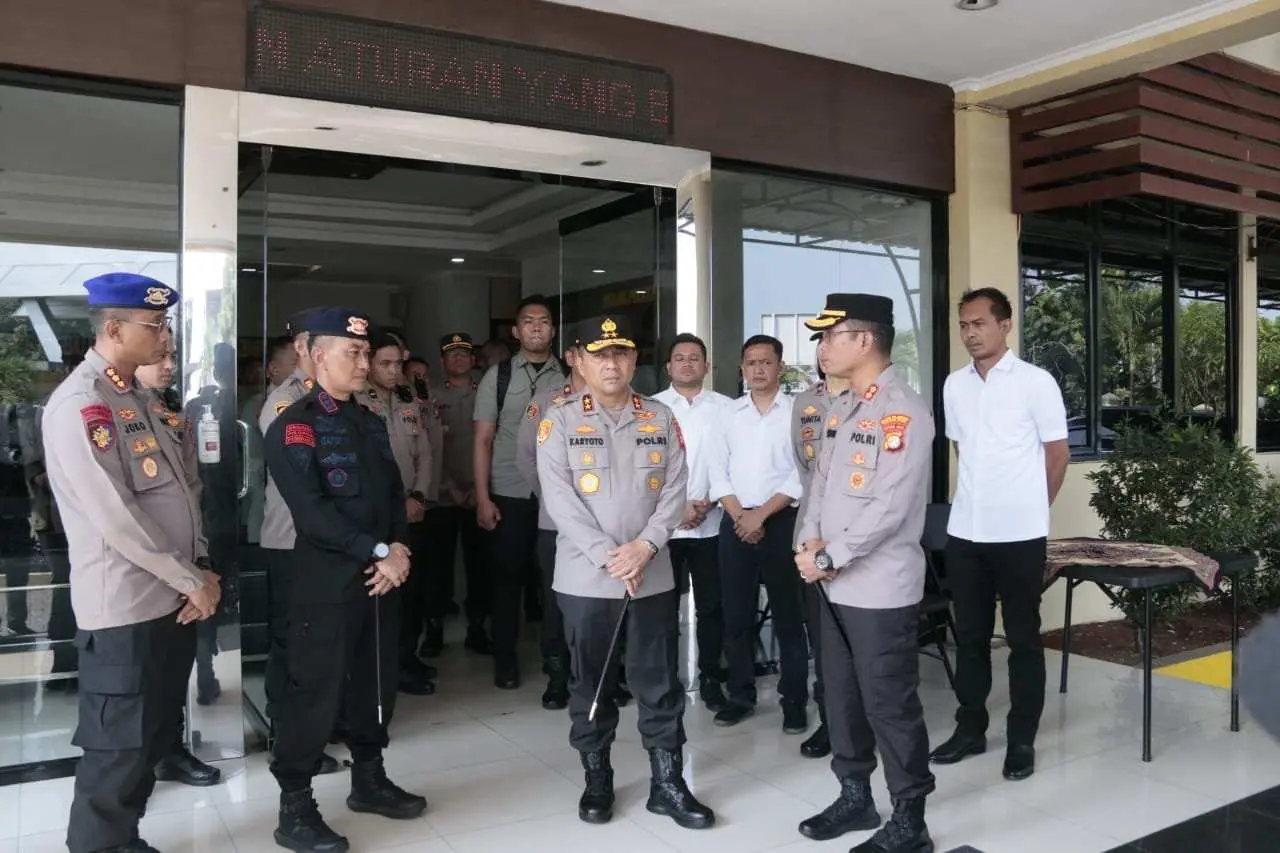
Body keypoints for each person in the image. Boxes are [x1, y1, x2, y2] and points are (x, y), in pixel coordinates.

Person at [44, 273, 221, 853]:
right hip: (124, 606)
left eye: (166, 323)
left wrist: (198, 571)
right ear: (114, 329)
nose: (165, 337)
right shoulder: (83, 403)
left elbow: (181, 496)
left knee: (147, 739)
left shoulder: (138, 399)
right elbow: (114, 517)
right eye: (155, 325)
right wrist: (190, 578)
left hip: (170, 599)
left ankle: (124, 840)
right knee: (116, 749)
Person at [535, 315, 714, 830]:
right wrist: (611, 556)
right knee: (591, 683)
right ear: (579, 360)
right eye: (599, 355)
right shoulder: (561, 418)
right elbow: (559, 499)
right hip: (587, 578)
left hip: (651, 574)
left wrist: (645, 547)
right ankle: (597, 778)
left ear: (635, 360)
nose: (611, 364)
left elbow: (675, 489)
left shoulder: (658, 417)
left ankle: (668, 783)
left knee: (659, 682)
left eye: (621, 354)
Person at [264, 308, 426, 853]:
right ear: (313, 354)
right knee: (315, 692)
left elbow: (392, 497)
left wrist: (398, 548)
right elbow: (312, 514)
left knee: (374, 683)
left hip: (382, 579)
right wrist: (379, 551)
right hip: (328, 583)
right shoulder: (294, 423)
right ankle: (295, 806)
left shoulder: (370, 420)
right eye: (351, 353)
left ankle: (370, 778)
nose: (363, 362)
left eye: (366, 353)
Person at [793, 293, 935, 853]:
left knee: (888, 702)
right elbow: (819, 486)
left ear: (865, 340)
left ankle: (910, 819)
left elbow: (891, 505)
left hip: (876, 585)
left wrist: (829, 555)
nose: (823, 347)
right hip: (829, 579)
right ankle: (856, 796)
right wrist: (807, 542)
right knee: (842, 696)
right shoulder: (843, 406)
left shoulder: (902, 410)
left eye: (831, 336)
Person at [929, 287, 1069, 782]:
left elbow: (1058, 455)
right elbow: (964, 453)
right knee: (967, 638)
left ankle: (1021, 740)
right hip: (965, 533)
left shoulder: (1035, 382)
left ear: (1005, 326)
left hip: (1020, 535)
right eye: (964, 325)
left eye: (979, 323)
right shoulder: (953, 385)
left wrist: (1031, 507)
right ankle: (970, 729)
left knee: (1024, 639)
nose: (970, 333)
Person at [134, 328, 223, 788]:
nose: (169, 364)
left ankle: (169, 749)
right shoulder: (111, 415)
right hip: (143, 572)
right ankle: (136, 766)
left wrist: (201, 565)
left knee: (173, 672)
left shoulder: (170, 413)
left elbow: (192, 495)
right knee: (136, 683)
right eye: (160, 356)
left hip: (184, 568)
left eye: (172, 356)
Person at [706, 335, 809, 731]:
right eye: (751, 363)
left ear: (780, 367)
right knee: (737, 616)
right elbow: (718, 472)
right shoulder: (728, 415)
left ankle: (794, 700)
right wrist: (741, 517)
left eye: (766, 362)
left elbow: (801, 471)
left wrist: (761, 516)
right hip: (735, 523)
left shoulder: (798, 412)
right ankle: (740, 695)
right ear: (742, 369)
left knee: (788, 616)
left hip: (781, 522)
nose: (758, 369)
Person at [259, 310, 342, 776]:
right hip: (291, 538)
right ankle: (285, 732)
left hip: (325, 540)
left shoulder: (334, 399)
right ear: (305, 351)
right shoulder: (285, 400)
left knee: (319, 642)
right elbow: (299, 476)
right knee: (292, 640)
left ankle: (316, 727)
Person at [473, 295, 565, 689]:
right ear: (516, 331)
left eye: (543, 321)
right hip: (508, 492)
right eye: (528, 322)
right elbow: (482, 440)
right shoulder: (499, 376)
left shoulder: (570, 375)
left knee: (556, 582)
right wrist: (482, 497)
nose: (537, 328)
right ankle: (505, 659)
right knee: (507, 580)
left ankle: (557, 661)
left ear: (553, 329)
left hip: (557, 497)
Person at [653, 334, 732, 713]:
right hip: (664, 530)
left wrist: (708, 502)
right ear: (668, 367)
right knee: (663, 608)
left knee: (712, 608)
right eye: (679, 358)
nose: (687, 364)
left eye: (694, 358)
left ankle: (712, 678)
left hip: (712, 523)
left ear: (707, 366)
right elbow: (645, 471)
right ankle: (665, 679)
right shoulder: (650, 409)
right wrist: (677, 507)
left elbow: (734, 464)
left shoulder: (727, 409)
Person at [355, 331, 436, 696]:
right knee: (388, 596)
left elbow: (426, 451)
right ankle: (389, 666)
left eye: (397, 363)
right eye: (384, 363)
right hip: (381, 517)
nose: (392, 371)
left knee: (415, 591)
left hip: (414, 509)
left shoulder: (409, 397)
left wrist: (419, 495)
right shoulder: (355, 400)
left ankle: (408, 656)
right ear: (368, 362)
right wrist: (396, 506)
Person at [788, 336, 851, 761]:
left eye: (834, 339)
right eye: (821, 343)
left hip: (857, 538)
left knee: (856, 640)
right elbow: (804, 466)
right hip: (811, 538)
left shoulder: (875, 400)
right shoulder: (804, 403)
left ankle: (858, 724)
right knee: (823, 639)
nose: (825, 350)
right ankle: (831, 722)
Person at [516, 341, 586, 710]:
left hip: (605, 524)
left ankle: (601, 675)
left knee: (602, 603)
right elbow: (525, 456)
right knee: (556, 601)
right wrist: (554, 498)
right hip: (555, 523)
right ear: (572, 358)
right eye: (589, 353)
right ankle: (558, 676)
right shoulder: (545, 401)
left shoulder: (620, 401)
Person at [420, 335, 487, 654]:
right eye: (452, 355)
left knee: (481, 567)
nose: (458, 359)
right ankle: (434, 630)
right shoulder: (430, 397)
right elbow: (427, 449)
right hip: (443, 496)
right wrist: (449, 486)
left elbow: (494, 444)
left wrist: (478, 487)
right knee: (437, 568)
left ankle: (477, 628)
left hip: (480, 495)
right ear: (443, 361)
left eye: (464, 354)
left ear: (473, 360)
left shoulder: (487, 395)